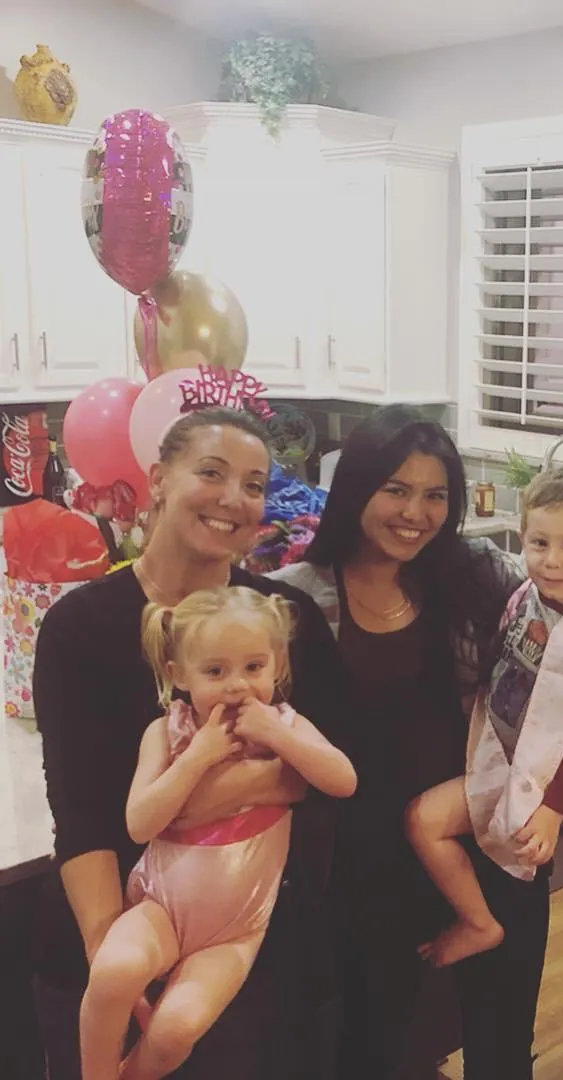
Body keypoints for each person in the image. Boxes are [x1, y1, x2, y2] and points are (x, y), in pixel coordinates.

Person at [33, 407, 351, 1080]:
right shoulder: (78, 628)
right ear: (158, 480)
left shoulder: (283, 622)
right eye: (212, 473)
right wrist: (110, 958)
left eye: (256, 485)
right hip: (122, 927)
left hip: (246, 938)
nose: (235, 499)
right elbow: (84, 814)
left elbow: (325, 777)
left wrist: (190, 800)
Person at [272, 404, 546, 1080]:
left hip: (482, 838)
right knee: (377, 1039)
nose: (414, 512)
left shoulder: (478, 573)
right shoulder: (294, 599)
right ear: (357, 486)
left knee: (501, 1035)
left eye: (434, 495)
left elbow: (559, 661)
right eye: (395, 488)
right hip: (366, 867)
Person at [80, 586, 356, 1080]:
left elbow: (343, 781)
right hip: (160, 905)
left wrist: (278, 736)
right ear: (178, 674)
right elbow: (140, 823)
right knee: (113, 970)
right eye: (215, 671)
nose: (237, 687)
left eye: (253, 667)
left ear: (277, 666)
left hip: (235, 929)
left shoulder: (287, 725)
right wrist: (198, 757)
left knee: (175, 1030)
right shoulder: (167, 732)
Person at [405, 466, 563, 968]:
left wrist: (552, 811)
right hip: (490, 755)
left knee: (423, 821)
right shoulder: (529, 599)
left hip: (527, 786)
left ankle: (479, 924)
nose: (551, 560)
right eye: (540, 542)